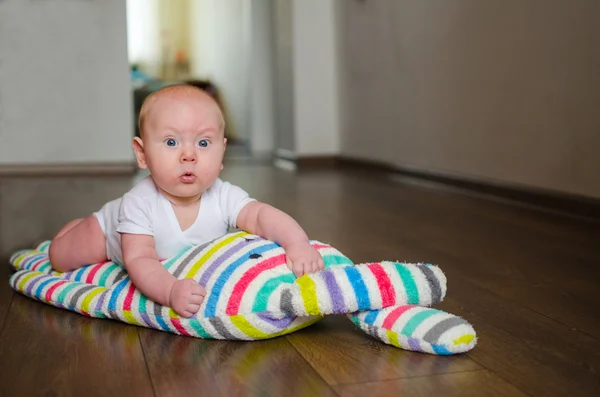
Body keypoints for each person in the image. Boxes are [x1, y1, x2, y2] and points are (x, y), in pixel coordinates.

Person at [48, 84, 324, 318]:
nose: (189, 155)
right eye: (171, 142)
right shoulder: (138, 203)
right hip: (106, 231)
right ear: (142, 154)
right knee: (59, 256)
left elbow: (262, 216)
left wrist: (297, 243)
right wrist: (170, 290)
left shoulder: (222, 195)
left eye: (203, 143)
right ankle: (74, 227)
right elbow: (140, 259)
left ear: (222, 152)